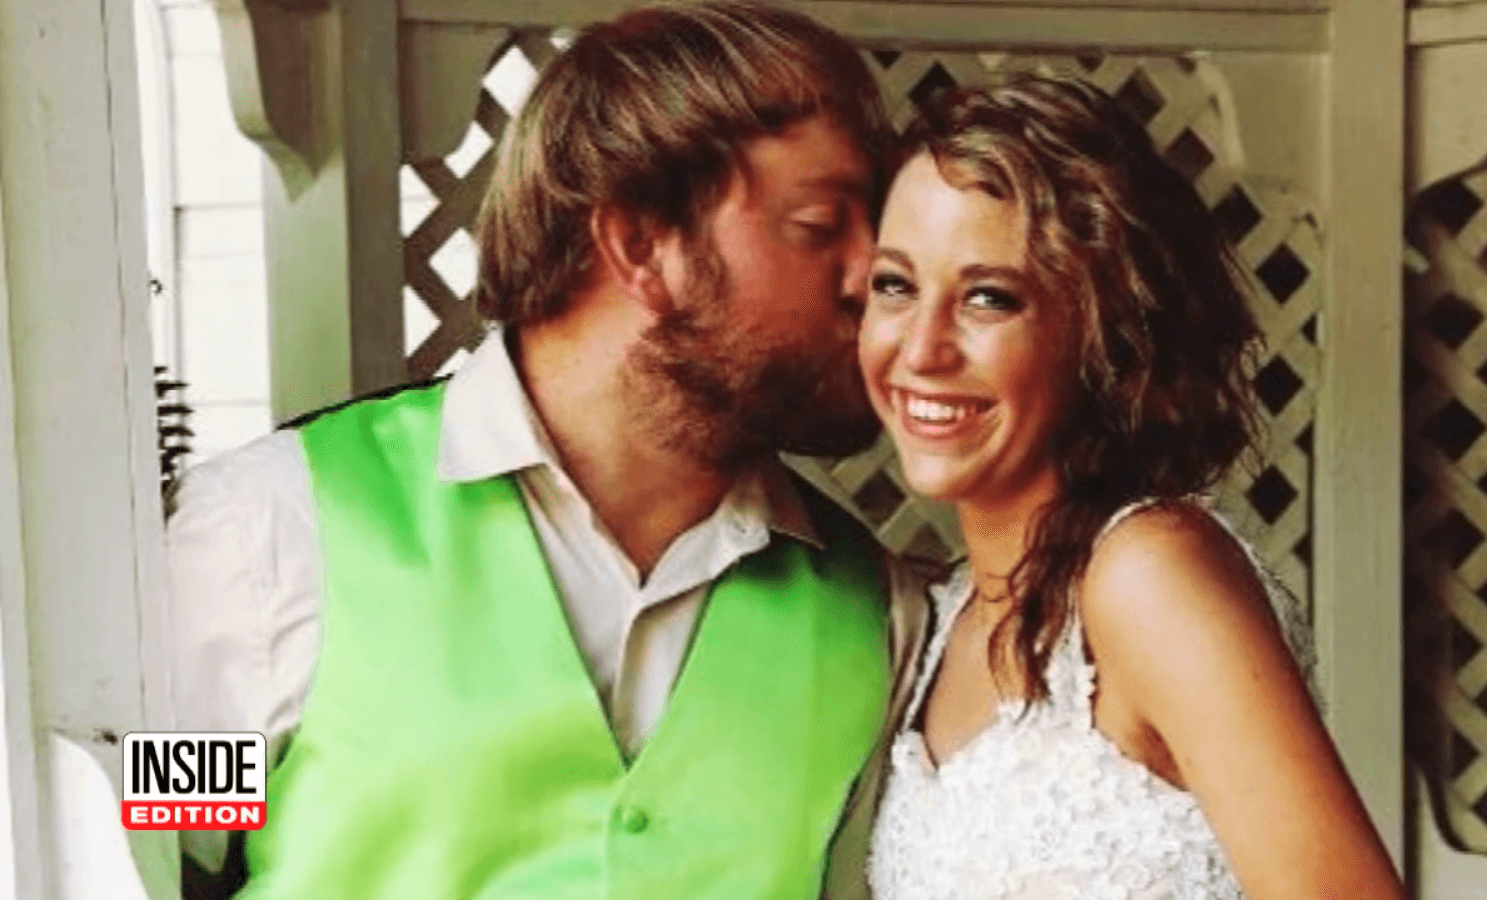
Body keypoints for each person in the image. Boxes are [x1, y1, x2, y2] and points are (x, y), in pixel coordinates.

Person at [165, 4, 928, 898]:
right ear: (641, 243)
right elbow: (143, 865)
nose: (874, 275)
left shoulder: (876, 615)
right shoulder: (264, 537)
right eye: (820, 224)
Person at [859, 75, 1406, 899]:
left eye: (989, 299)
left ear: (1105, 334)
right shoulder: (945, 616)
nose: (920, 348)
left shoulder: (1150, 573)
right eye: (895, 285)